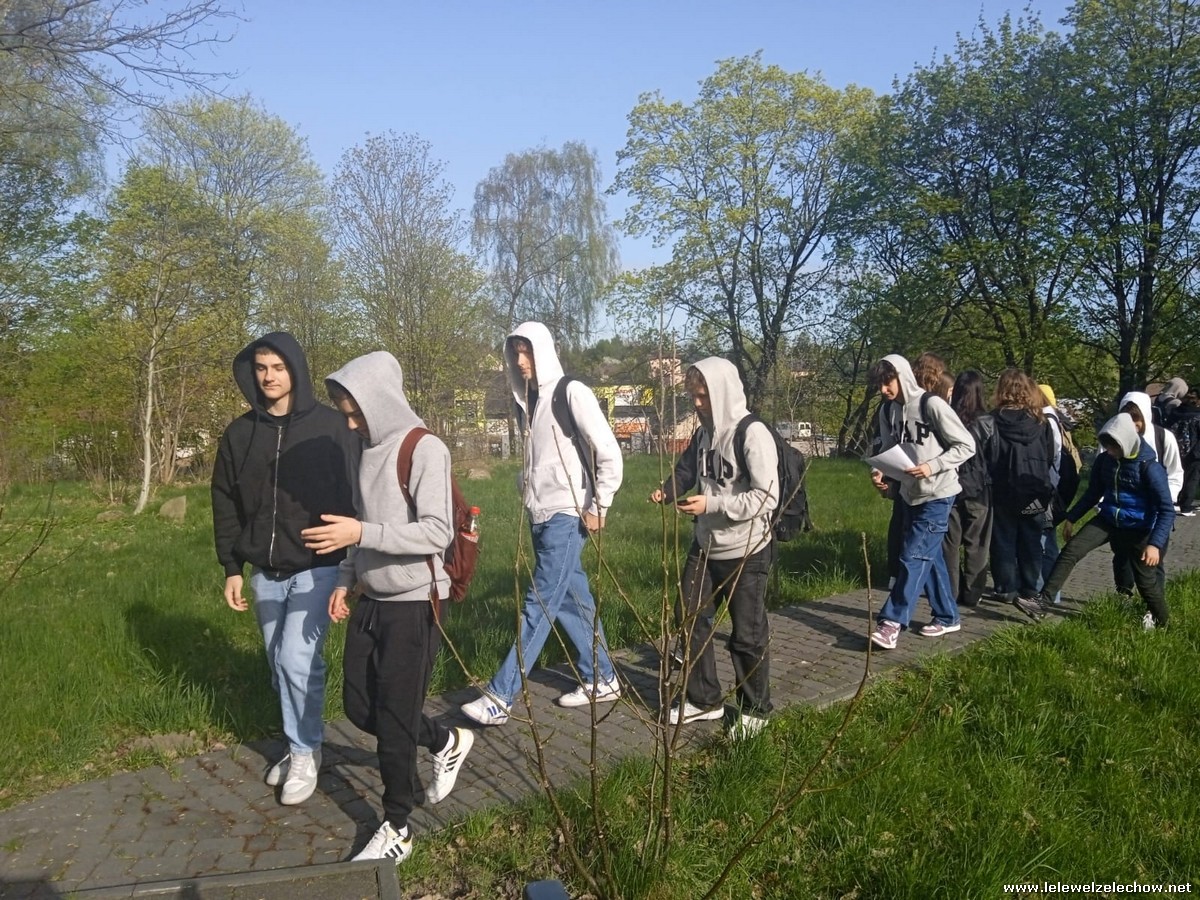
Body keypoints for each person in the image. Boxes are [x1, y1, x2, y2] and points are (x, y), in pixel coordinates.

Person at [302, 351, 474, 865]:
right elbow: (359, 525)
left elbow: (437, 532)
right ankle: (444, 740)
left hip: (415, 603)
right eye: (345, 414)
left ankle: (398, 826)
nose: (351, 423)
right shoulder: (364, 449)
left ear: (379, 401)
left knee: (395, 721)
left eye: (356, 412)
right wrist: (345, 579)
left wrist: (361, 533)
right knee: (360, 708)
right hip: (371, 600)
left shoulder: (425, 448)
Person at [210, 332, 358, 806]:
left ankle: (303, 752)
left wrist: (352, 557)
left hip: (320, 565)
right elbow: (225, 501)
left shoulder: (331, 427)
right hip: (265, 571)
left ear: (295, 369)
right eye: (261, 368)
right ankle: (302, 744)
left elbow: (358, 490)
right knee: (281, 666)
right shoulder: (239, 434)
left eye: (278, 367)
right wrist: (232, 565)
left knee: (297, 659)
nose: (269, 377)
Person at [461, 322, 624, 726]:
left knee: (539, 605)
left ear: (544, 351)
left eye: (527, 351)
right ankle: (603, 677)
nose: (521, 361)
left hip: (568, 514)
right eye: (515, 352)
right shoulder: (529, 402)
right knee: (572, 601)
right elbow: (544, 458)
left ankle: (500, 697)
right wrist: (526, 485)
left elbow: (608, 452)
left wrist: (600, 505)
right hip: (541, 515)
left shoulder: (572, 392)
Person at [649, 357, 779, 738]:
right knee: (689, 618)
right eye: (693, 396)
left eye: (703, 396)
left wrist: (713, 504)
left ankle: (755, 711)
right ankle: (704, 699)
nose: (697, 403)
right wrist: (668, 490)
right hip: (705, 545)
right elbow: (687, 470)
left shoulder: (752, 433)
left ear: (722, 392)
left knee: (747, 634)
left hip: (747, 549)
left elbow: (767, 496)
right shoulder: (703, 434)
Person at [1024, 412, 1174, 629]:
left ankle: (1164, 624)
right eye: (1107, 446)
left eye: (1114, 447)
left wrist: (1155, 544)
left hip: (1140, 528)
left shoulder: (1150, 468)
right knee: (1071, 551)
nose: (1110, 451)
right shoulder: (1105, 461)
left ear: (1127, 442)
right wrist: (1071, 518)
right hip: (1108, 520)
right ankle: (1042, 603)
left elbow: (1167, 510)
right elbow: (1093, 493)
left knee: (1146, 584)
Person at [868, 354, 975, 650]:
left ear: (902, 376)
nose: (884, 390)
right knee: (929, 555)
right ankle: (948, 615)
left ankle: (891, 622)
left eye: (887, 382)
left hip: (939, 494)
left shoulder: (932, 405)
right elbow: (890, 447)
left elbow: (966, 445)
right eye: (879, 385)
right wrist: (881, 472)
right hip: (909, 494)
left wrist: (932, 466)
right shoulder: (887, 411)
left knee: (913, 557)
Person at [987, 369, 1055, 613]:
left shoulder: (993, 420)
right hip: (1035, 489)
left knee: (1003, 539)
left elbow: (989, 456)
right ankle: (1030, 587)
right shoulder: (1040, 421)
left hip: (1004, 488)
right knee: (1032, 540)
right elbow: (1049, 455)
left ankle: (1006, 588)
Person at [1110, 391, 1183, 597]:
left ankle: (1152, 605)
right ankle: (1123, 595)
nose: (1133, 424)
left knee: (1152, 558)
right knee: (1122, 556)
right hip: (1123, 511)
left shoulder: (1163, 437)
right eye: (1127, 418)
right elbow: (1105, 472)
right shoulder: (1113, 436)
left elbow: (1175, 472)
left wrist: (1166, 499)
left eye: (1137, 418)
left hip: (1155, 513)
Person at [942, 370, 995, 608]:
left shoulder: (946, 418)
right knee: (978, 543)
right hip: (979, 489)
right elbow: (994, 456)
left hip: (951, 486)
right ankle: (973, 593)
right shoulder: (987, 422)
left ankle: (951, 591)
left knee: (950, 544)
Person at [1169, 390, 1200, 516]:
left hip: (1176, 449)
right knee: (1192, 478)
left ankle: (1175, 500)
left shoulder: (1175, 412)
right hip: (1194, 452)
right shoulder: (1197, 415)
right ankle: (1186, 506)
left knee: (1177, 475)